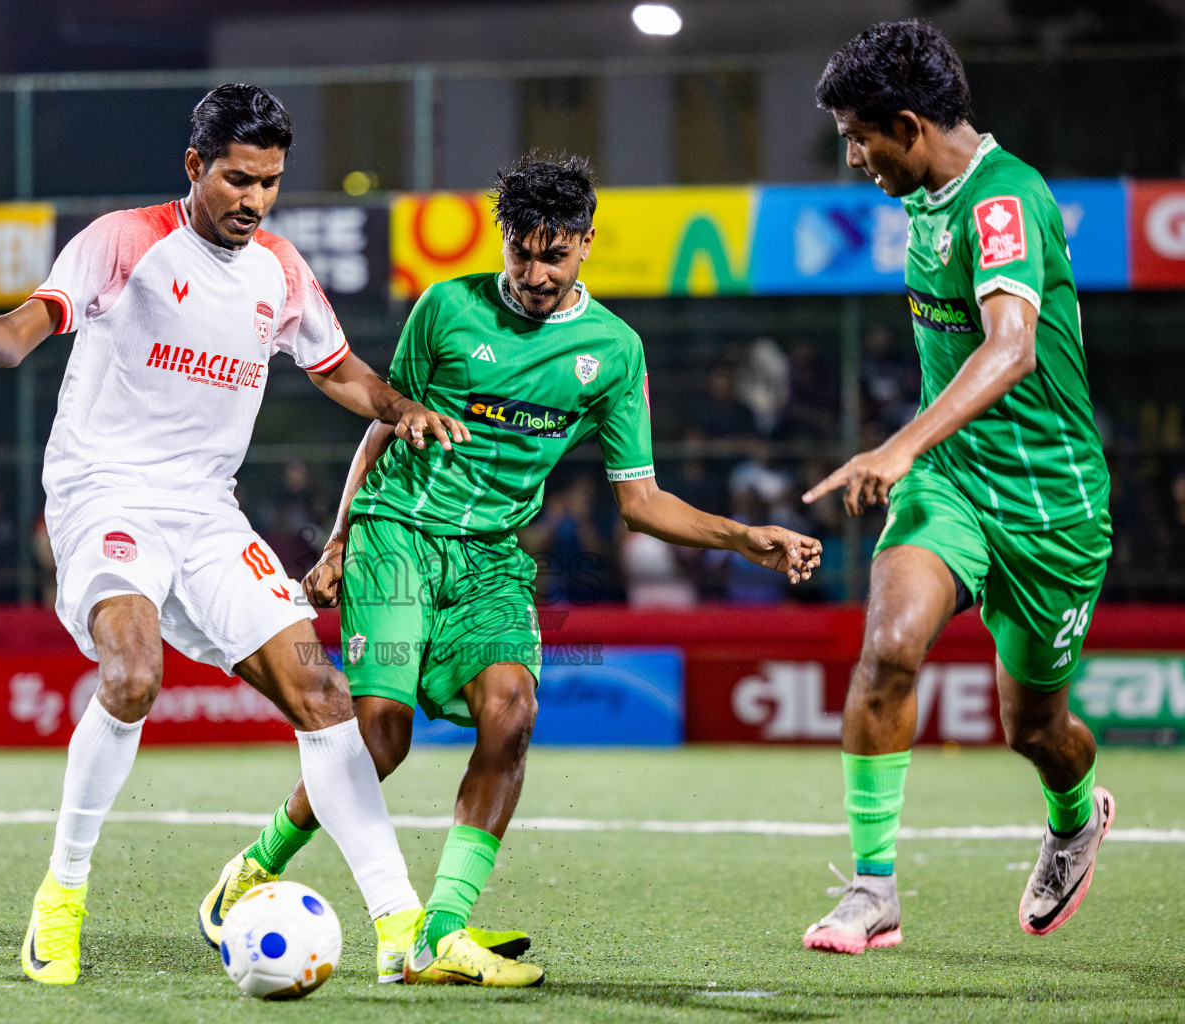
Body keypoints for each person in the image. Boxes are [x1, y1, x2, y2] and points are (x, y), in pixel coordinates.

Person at [199, 154, 822, 987]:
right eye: (519, 252)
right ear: (501, 239)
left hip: (493, 558)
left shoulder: (613, 352)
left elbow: (640, 501)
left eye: (553, 256)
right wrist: (342, 537)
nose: (533, 273)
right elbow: (383, 423)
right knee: (379, 739)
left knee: (513, 711)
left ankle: (441, 933)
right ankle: (256, 862)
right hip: (398, 532)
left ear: (587, 245)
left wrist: (744, 536)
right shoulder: (448, 308)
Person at [0, 84, 465, 988]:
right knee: (134, 674)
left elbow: (339, 372)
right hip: (105, 496)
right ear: (194, 167)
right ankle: (60, 899)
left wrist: (403, 407)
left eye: (269, 182)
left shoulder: (281, 271)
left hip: (207, 512)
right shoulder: (123, 242)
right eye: (237, 179)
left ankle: (402, 928)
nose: (253, 200)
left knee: (324, 697)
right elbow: (20, 339)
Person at [800, 21, 1115, 954]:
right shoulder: (928, 192)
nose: (854, 157)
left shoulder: (1002, 201)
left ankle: (1073, 817)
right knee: (888, 648)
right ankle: (872, 890)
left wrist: (892, 447)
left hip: (1053, 506)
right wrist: (918, 460)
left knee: (1035, 727)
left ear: (908, 123)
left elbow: (1011, 349)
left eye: (861, 136)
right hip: (953, 486)